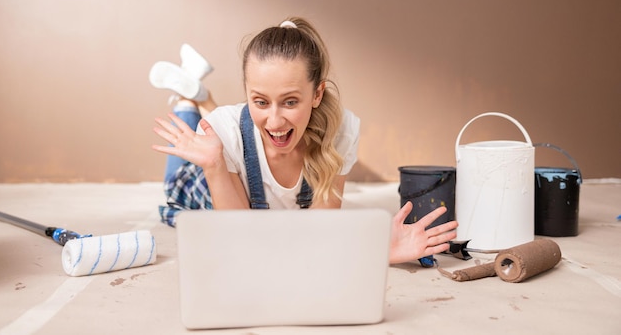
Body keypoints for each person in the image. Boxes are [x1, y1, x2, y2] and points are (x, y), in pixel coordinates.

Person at [150, 16, 457, 264]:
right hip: (200, 182)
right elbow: (241, 242)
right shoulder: (223, 130)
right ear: (246, 94)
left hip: (230, 147)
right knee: (176, 177)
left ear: (317, 94)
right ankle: (188, 101)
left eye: (290, 102)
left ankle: (194, 93)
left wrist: (374, 252)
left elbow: (316, 235)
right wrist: (214, 165)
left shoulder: (342, 130)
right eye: (259, 102)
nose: (274, 121)